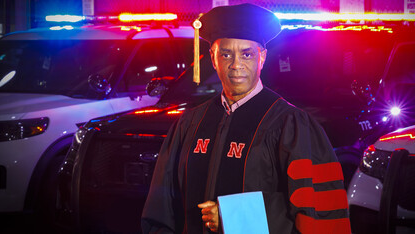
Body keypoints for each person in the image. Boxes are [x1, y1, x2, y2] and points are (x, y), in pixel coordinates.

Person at [141, 3, 351, 233]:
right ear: (213, 58)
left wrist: (233, 215)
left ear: (262, 58)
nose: (236, 65)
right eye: (226, 54)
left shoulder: (290, 125)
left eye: (247, 54)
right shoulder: (190, 123)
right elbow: (162, 208)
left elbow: (316, 210)